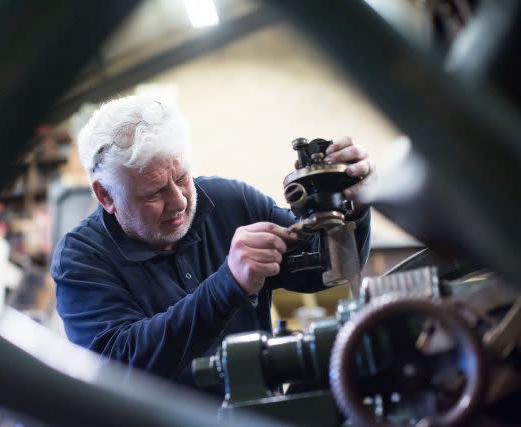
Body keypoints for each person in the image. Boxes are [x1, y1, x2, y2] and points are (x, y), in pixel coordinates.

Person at [51, 95, 373, 391]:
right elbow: (119, 365)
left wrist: (351, 209)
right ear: (106, 195)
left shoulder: (230, 201)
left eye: (181, 179)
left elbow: (324, 267)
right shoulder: (80, 258)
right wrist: (227, 285)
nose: (178, 202)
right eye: (154, 193)